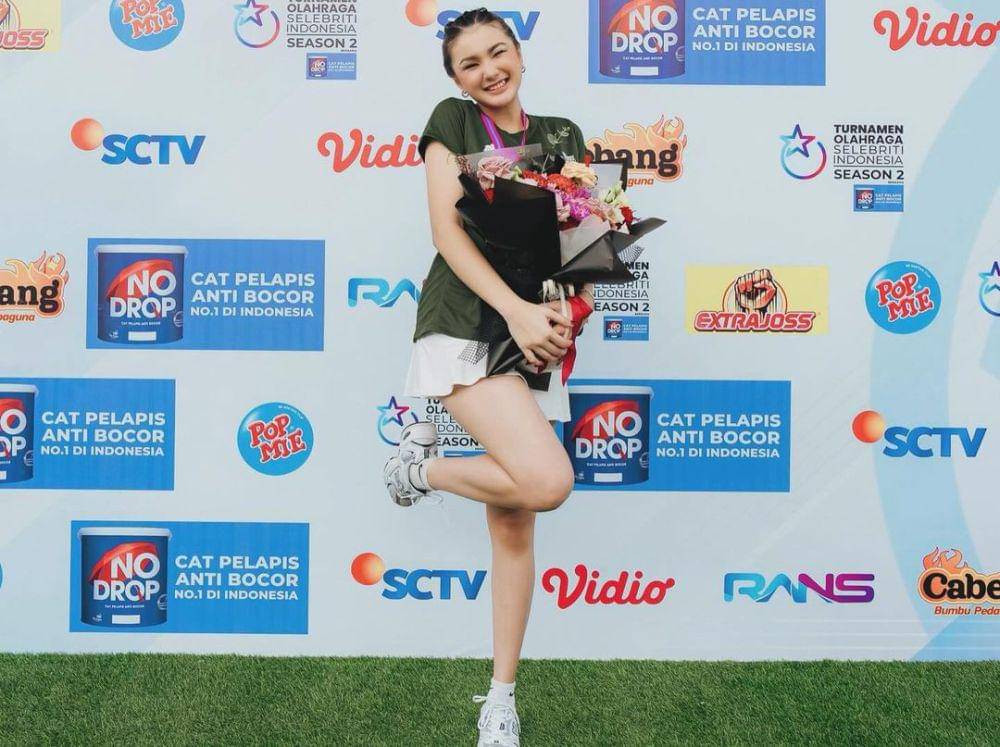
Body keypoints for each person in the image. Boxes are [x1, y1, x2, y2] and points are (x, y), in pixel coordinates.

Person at [381, 7, 594, 746]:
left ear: (520, 54)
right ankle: (422, 469)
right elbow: (447, 230)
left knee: (513, 522)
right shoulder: (453, 122)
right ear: (457, 79)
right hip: (469, 319)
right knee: (548, 481)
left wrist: (564, 314)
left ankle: (501, 698)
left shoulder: (563, 135)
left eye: (498, 52)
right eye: (469, 62)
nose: (488, 69)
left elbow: (579, 243)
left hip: (535, 333)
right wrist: (517, 312)